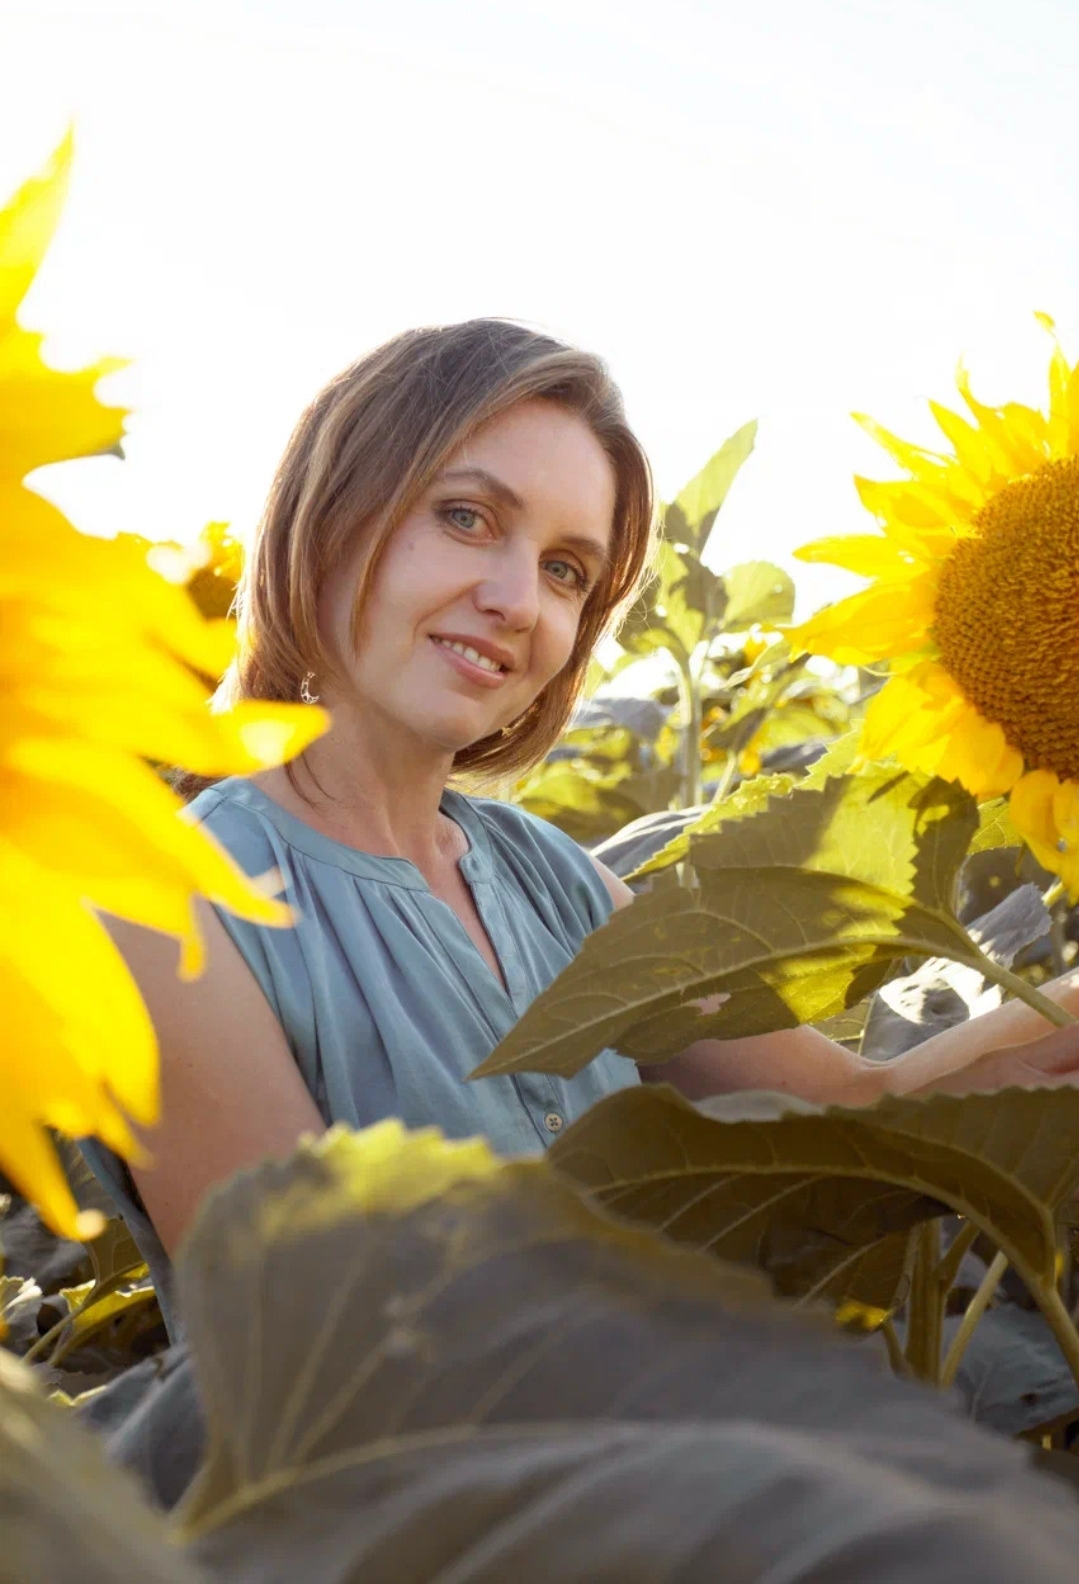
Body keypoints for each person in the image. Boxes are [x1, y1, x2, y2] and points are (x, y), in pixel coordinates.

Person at [86, 317, 1079, 1340]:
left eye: (566, 569)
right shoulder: (173, 905)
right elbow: (319, 1349)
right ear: (329, 513)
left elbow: (850, 1108)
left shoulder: (552, 880)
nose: (517, 599)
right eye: (466, 516)